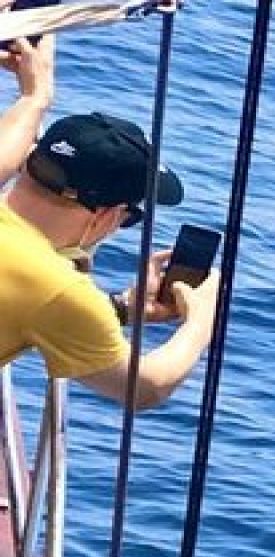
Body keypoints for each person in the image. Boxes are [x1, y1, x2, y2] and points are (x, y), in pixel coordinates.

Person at [0, 36, 221, 412]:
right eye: (130, 217)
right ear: (107, 216)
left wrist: (122, 308)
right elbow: (144, 387)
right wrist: (202, 321)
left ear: (28, 162)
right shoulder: (58, 289)